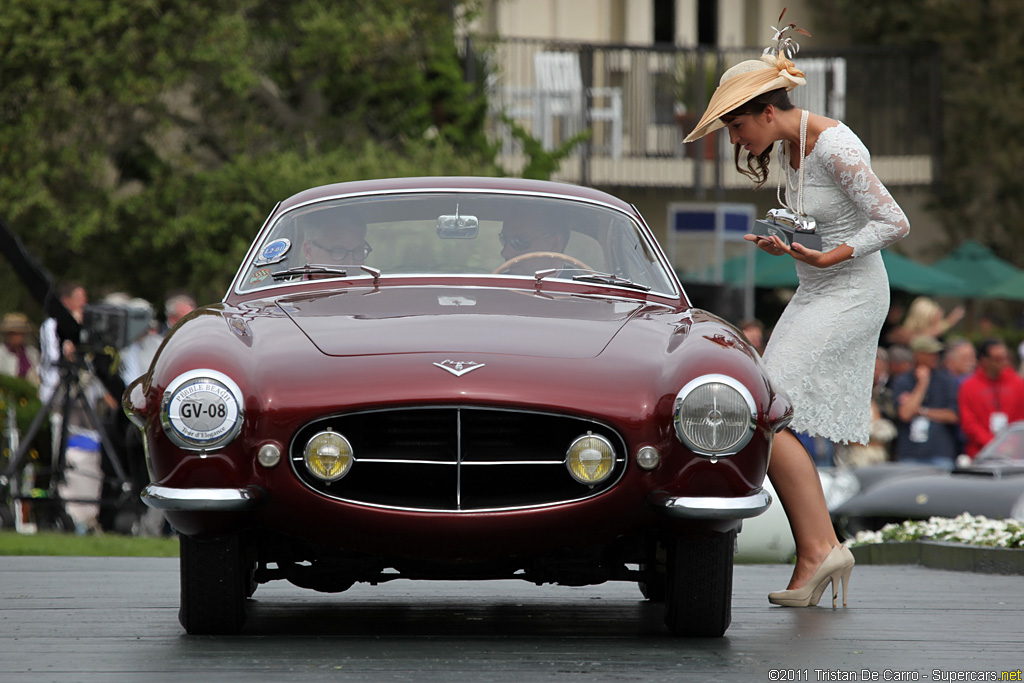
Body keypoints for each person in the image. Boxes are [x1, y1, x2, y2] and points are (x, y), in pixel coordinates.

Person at [683, 15, 910, 607]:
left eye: (735, 125)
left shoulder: (835, 144)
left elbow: (893, 221)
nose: (735, 140)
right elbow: (823, 219)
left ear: (766, 110)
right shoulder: (790, 146)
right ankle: (820, 549)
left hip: (854, 291)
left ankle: (819, 550)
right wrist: (788, 239)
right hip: (816, 290)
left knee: (767, 408)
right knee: (767, 407)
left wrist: (830, 253)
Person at [891, 336, 960, 467]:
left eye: (936, 353)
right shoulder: (903, 381)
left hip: (940, 453)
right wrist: (922, 384)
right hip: (909, 454)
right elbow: (905, 414)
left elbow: (952, 415)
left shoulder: (946, 380)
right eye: (929, 353)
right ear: (917, 355)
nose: (935, 357)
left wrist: (921, 410)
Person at [958, 339, 1024, 459]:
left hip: (1014, 454)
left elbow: (1020, 419)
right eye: (998, 359)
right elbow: (969, 422)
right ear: (984, 360)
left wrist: (1009, 444)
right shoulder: (969, 385)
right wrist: (993, 445)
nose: (1003, 363)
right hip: (980, 454)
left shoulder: (1017, 383)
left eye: (1005, 358)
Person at [0, 312, 41, 386]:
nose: (15, 337)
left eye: (19, 333)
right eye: (12, 333)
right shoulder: (1, 353)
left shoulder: (32, 353)